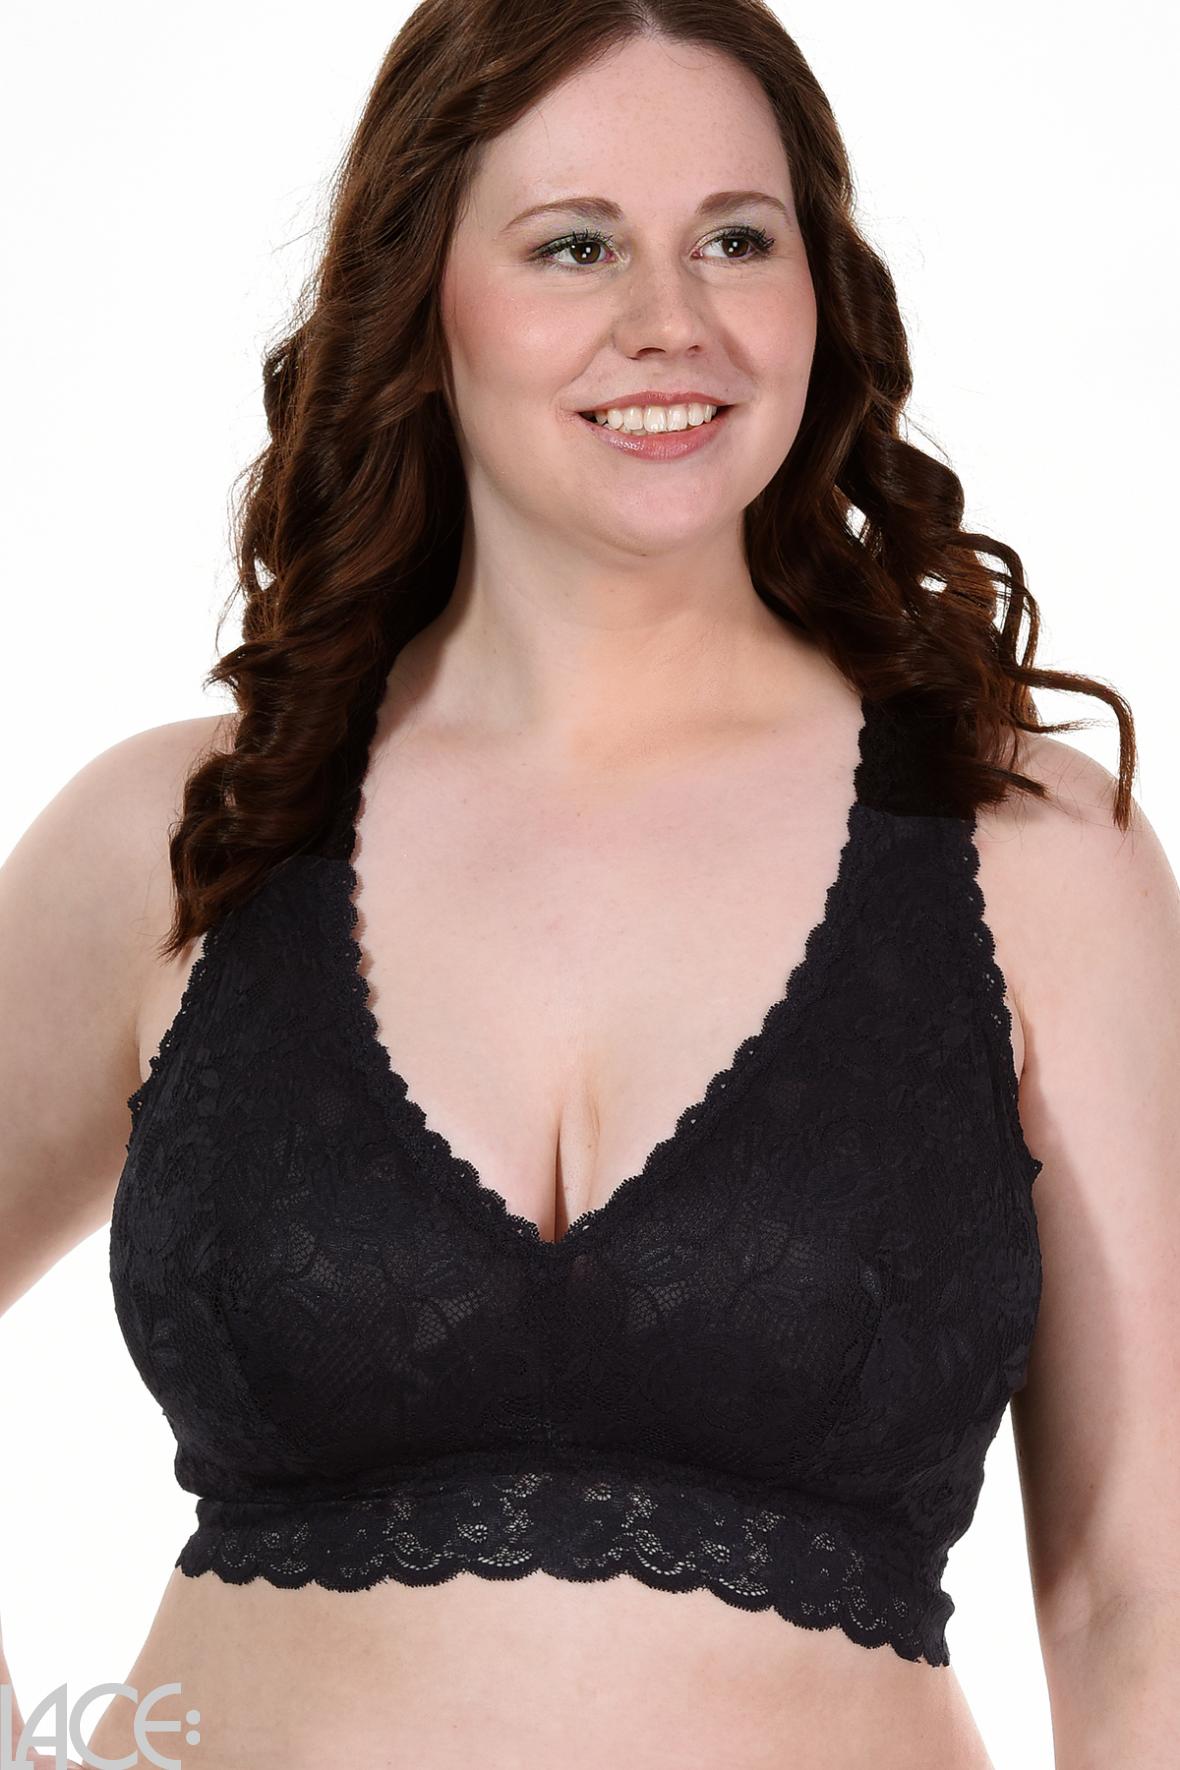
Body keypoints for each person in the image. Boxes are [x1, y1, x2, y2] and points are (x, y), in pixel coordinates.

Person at [3, 4, 1177, 1767]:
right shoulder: (183, 834)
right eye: (576, 245)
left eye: (737, 239)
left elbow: (1136, 1601)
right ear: (422, 298)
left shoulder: (1035, 856)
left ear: (819, 293)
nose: (671, 320)